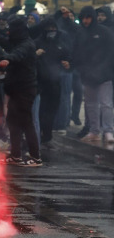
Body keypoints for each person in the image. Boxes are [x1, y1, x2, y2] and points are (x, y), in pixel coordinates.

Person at [0, 16, 42, 166]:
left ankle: (35, 157)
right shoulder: (19, 42)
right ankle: (16, 154)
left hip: (25, 89)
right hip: (17, 88)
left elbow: (18, 53)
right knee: (12, 120)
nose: (9, 32)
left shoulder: (27, 44)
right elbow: (9, 45)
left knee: (26, 121)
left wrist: (8, 59)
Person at [74, 6, 114, 143]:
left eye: (88, 17)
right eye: (84, 18)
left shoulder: (104, 32)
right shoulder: (80, 34)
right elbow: (77, 54)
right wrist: (82, 69)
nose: (86, 21)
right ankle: (95, 130)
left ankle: (107, 130)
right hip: (88, 75)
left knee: (105, 104)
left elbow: (110, 53)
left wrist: (102, 69)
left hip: (104, 75)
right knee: (91, 104)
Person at [35, 18, 71, 150]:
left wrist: (68, 63)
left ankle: (47, 136)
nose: (51, 31)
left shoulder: (60, 43)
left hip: (55, 82)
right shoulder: (37, 43)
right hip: (40, 83)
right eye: (49, 29)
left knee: (52, 110)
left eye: (53, 29)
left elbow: (68, 56)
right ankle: (40, 136)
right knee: (41, 111)